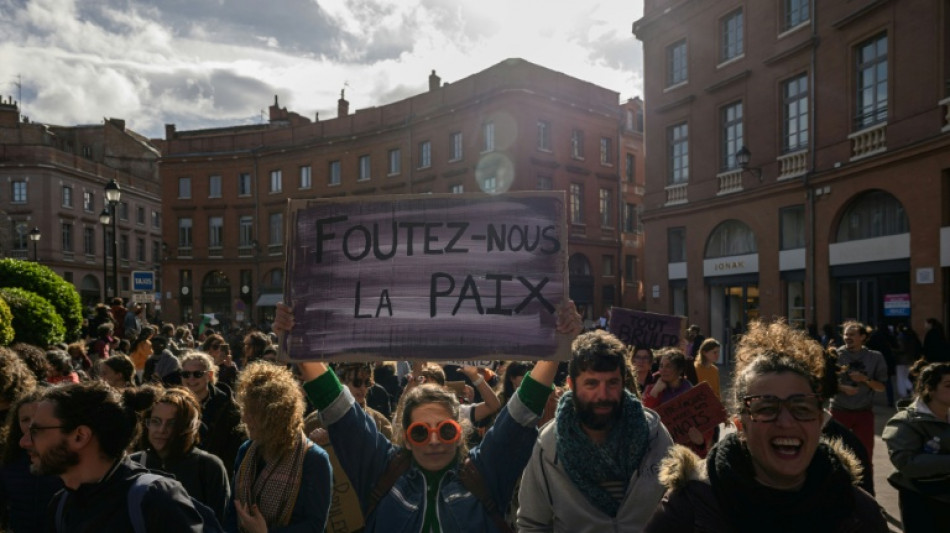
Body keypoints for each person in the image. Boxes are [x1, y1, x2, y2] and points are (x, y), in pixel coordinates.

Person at [279, 301, 580, 532]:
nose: (434, 440)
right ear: (406, 439)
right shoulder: (381, 471)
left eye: (446, 430)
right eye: (420, 432)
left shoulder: (485, 471)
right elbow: (337, 405)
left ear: (460, 431)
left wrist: (558, 343)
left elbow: (521, 412)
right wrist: (298, 341)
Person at [644, 319, 887, 533]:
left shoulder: (859, 511)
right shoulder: (689, 508)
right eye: (766, 408)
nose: (786, 422)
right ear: (740, 425)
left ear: (820, 420)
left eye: (802, 408)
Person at [517, 330, 674, 532]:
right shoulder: (548, 447)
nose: (603, 395)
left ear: (623, 381)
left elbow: (678, 513)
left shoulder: (655, 435)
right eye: (591, 383)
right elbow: (533, 525)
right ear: (571, 385)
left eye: (612, 383)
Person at [19, 381, 209, 531]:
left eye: (36, 430)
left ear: (80, 436)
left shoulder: (154, 500)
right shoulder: (61, 505)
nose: (24, 442)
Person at [224, 362, 332, 533]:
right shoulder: (246, 450)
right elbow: (232, 512)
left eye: (252, 413)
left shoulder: (314, 460)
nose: (244, 419)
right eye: (244, 410)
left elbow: (315, 526)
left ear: (275, 416)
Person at [130, 388, 230, 522]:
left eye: (171, 424)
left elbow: (219, 523)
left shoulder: (208, 467)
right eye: (155, 421)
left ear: (187, 428)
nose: (161, 430)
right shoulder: (133, 465)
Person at [882, 362, 950, 532]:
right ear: (929, 388)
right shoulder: (905, 422)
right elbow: (907, 463)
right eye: (948, 385)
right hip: (922, 500)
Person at [830, 321, 887, 492]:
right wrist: (841, 387)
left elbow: (882, 387)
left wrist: (865, 380)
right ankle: (836, 493)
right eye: (846, 334)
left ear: (863, 337)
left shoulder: (875, 357)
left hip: (863, 413)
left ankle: (868, 495)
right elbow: (822, 384)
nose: (847, 338)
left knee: (864, 456)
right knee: (834, 454)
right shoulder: (834, 355)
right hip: (839, 411)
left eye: (852, 334)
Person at [0, 390, 64, 533]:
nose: (31, 425)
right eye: (25, 420)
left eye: (36, 418)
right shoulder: (10, 458)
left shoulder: (64, 456)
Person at [178, 352, 246, 479]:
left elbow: (235, 448)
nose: (191, 379)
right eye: (186, 374)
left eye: (197, 374)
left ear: (209, 375)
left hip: (213, 477)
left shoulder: (228, 408)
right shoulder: (173, 403)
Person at [642, 348, 708, 457]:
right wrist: (654, 393)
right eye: (661, 366)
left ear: (679, 370)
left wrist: (700, 443)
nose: (663, 370)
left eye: (668, 366)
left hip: (686, 454)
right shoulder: (652, 389)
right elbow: (645, 419)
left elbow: (704, 426)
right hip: (660, 452)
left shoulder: (692, 392)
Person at [336, 363, 393, 440]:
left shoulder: (380, 423)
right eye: (357, 382)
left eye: (367, 383)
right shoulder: (321, 421)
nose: (363, 388)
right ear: (341, 382)